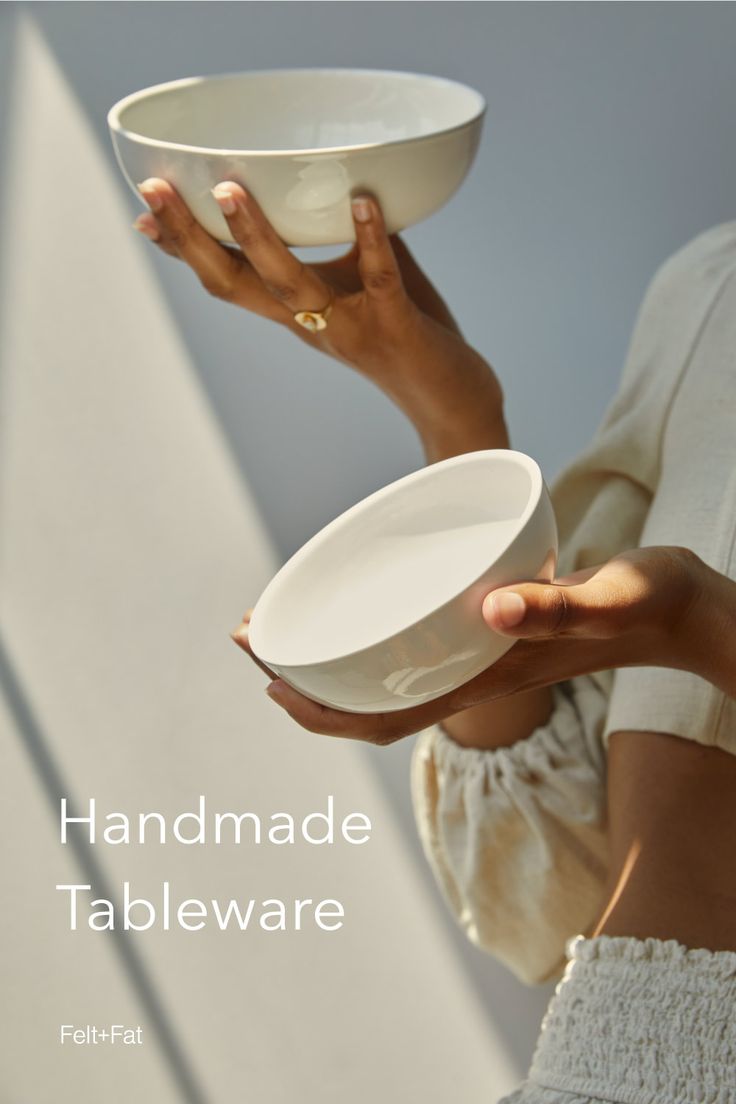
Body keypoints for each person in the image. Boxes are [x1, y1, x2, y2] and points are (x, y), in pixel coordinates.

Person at [133, 179, 736, 1103]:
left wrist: (699, 626)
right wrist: (457, 424)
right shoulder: (709, 287)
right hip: (606, 1057)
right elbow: (557, 899)